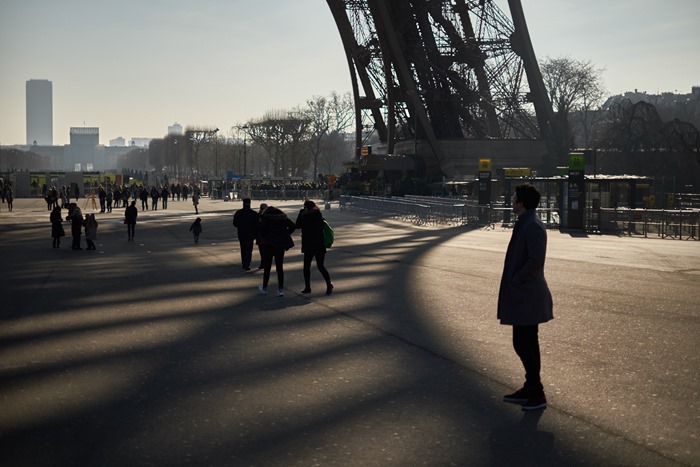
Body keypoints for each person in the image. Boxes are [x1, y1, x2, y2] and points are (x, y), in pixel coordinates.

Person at [498, 184, 553, 411]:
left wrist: (517, 278)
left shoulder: (531, 225)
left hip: (528, 295)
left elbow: (535, 260)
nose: (512, 200)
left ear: (521, 202)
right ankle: (531, 387)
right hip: (524, 294)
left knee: (525, 343)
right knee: (524, 342)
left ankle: (536, 392)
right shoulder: (526, 222)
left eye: (514, 197)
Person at [295, 200, 333, 295]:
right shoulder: (318, 215)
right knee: (321, 266)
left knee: (306, 267)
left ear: (306, 207)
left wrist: (301, 214)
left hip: (309, 244)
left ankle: (307, 287)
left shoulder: (305, 216)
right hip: (319, 244)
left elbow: (297, 225)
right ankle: (329, 284)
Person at [258, 206, 296, 297]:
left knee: (267, 267)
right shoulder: (282, 218)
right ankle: (280, 289)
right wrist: (285, 233)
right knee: (279, 267)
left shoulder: (266, 218)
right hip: (280, 245)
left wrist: (266, 235)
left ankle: (264, 287)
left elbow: (261, 229)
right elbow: (293, 226)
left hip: (269, 244)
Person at [232, 198, 259, 271]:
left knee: (243, 248)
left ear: (243, 204)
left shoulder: (238, 213)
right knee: (249, 249)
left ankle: (244, 262)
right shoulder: (253, 213)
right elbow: (257, 224)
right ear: (250, 204)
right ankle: (247, 264)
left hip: (241, 233)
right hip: (250, 234)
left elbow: (235, 224)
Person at [255, 203, 268, 269]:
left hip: (260, 236)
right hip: (267, 236)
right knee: (266, 251)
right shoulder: (269, 216)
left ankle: (263, 263)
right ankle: (265, 263)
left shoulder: (258, 215)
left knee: (262, 251)